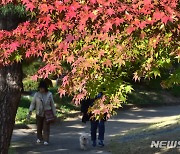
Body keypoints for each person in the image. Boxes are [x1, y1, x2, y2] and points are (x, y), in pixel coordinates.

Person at [27, 80, 56, 145]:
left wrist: (54, 114)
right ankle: (39, 138)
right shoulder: (36, 94)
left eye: (42, 88)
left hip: (47, 113)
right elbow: (33, 103)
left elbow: (52, 105)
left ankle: (46, 140)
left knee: (46, 127)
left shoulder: (49, 94)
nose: (41, 89)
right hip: (39, 113)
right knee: (39, 127)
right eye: (40, 88)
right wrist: (30, 111)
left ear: (45, 88)